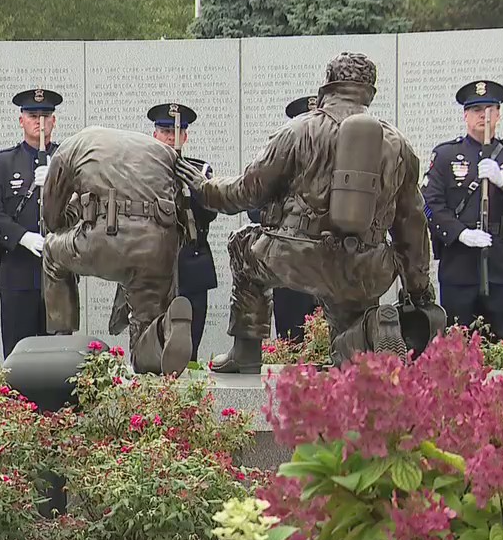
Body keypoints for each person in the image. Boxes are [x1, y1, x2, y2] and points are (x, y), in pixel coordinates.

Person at [182, 52, 436, 371]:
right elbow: (411, 224)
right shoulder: (399, 144)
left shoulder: (299, 130)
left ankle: (246, 353)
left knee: (244, 247)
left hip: (298, 258)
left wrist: (205, 187)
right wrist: (418, 288)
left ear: (328, 85)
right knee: (350, 308)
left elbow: (247, 191)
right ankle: (365, 333)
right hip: (366, 267)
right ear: (369, 91)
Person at [40, 125, 195, 375]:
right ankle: (163, 328)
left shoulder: (69, 148)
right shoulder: (164, 153)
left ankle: (63, 339)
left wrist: (74, 213)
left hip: (106, 240)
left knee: (51, 251)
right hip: (158, 246)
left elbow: (51, 217)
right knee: (143, 332)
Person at [421, 80, 503, 340]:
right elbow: (429, 204)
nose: (483, 115)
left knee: (501, 341)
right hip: (460, 265)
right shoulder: (446, 155)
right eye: (476, 110)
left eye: (489, 109)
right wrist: (460, 233)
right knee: (457, 344)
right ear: (465, 115)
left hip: (502, 264)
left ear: (498, 114)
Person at [0, 88, 62, 359]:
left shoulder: (67, 159)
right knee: (19, 352)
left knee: (57, 354)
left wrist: (57, 183)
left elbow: (87, 206)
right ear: (21, 120)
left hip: (58, 270)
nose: (40, 121)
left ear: (54, 121)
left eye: (45, 115)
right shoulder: (4, 162)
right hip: (18, 269)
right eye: (33, 115)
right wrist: (23, 237)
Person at [145, 102, 218, 362]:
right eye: (164, 131)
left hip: (190, 264)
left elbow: (209, 214)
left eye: (175, 132)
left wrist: (193, 186)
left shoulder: (199, 170)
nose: (169, 137)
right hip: (153, 265)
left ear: (184, 137)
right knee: (152, 343)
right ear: (154, 136)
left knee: (189, 346)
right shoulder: (142, 172)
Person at [246, 95, 320, 342]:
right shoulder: (276, 167)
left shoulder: (336, 164)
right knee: (291, 344)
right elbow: (253, 208)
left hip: (328, 270)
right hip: (289, 269)